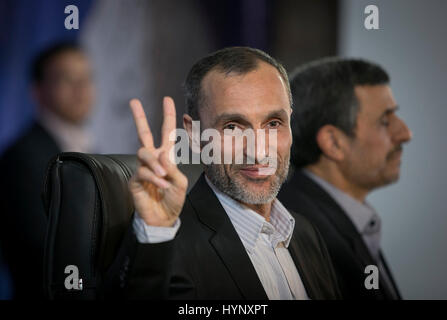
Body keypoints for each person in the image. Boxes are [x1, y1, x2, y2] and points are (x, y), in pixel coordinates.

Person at [107, 47, 340, 299]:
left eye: (273, 124)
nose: (259, 152)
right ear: (195, 134)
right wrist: (155, 233)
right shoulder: (167, 242)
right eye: (232, 127)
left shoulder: (306, 234)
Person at [278, 58, 412, 299]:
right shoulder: (300, 231)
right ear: (333, 142)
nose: (405, 133)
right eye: (385, 120)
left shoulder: (320, 216)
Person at [0, 42, 95, 299]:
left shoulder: (93, 150)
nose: (81, 89)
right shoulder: (22, 157)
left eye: (86, 79)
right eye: (67, 79)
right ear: (38, 91)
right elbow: (42, 249)